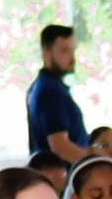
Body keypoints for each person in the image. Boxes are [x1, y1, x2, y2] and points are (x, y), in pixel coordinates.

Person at [26, 24, 89, 167]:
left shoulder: (39, 87)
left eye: (73, 50)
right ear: (46, 53)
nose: (72, 58)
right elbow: (61, 147)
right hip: (60, 178)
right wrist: (96, 163)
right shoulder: (50, 91)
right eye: (64, 51)